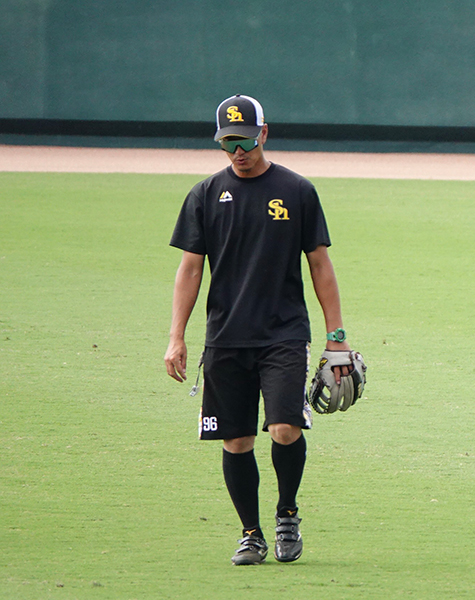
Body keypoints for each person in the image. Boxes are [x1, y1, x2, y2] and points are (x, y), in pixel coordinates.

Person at [164, 94, 356, 565]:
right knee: (236, 440)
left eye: (245, 141)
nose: (237, 152)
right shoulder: (205, 195)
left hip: (284, 333)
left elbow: (320, 264)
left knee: (286, 429)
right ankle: (250, 532)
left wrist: (336, 337)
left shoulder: (297, 191)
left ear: (263, 134)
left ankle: (287, 513)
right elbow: (190, 270)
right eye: (228, 143)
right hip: (226, 336)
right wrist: (176, 335)